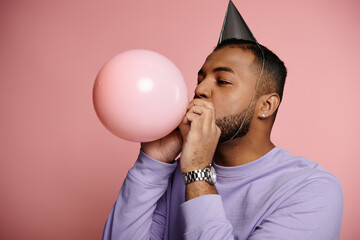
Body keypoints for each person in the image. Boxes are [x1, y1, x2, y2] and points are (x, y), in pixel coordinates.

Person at [102, 2, 343, 240]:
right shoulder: (175, 174)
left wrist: (198, 172)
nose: (200, 89)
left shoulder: (311, 189)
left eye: (223, 81)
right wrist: (152, 163)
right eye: (200, 79)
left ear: (266, 105)